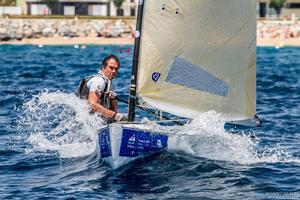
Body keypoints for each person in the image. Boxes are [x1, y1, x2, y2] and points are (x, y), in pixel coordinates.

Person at [77, 54, 125, 122]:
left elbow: (113, 110)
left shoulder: (107, 83)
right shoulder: (99, 81)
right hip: (86, 122)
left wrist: (112, 100)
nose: (114, 71)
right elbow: (92, 104)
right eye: (111, 68)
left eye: (116, 69)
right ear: (103, 67)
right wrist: (114, 115)